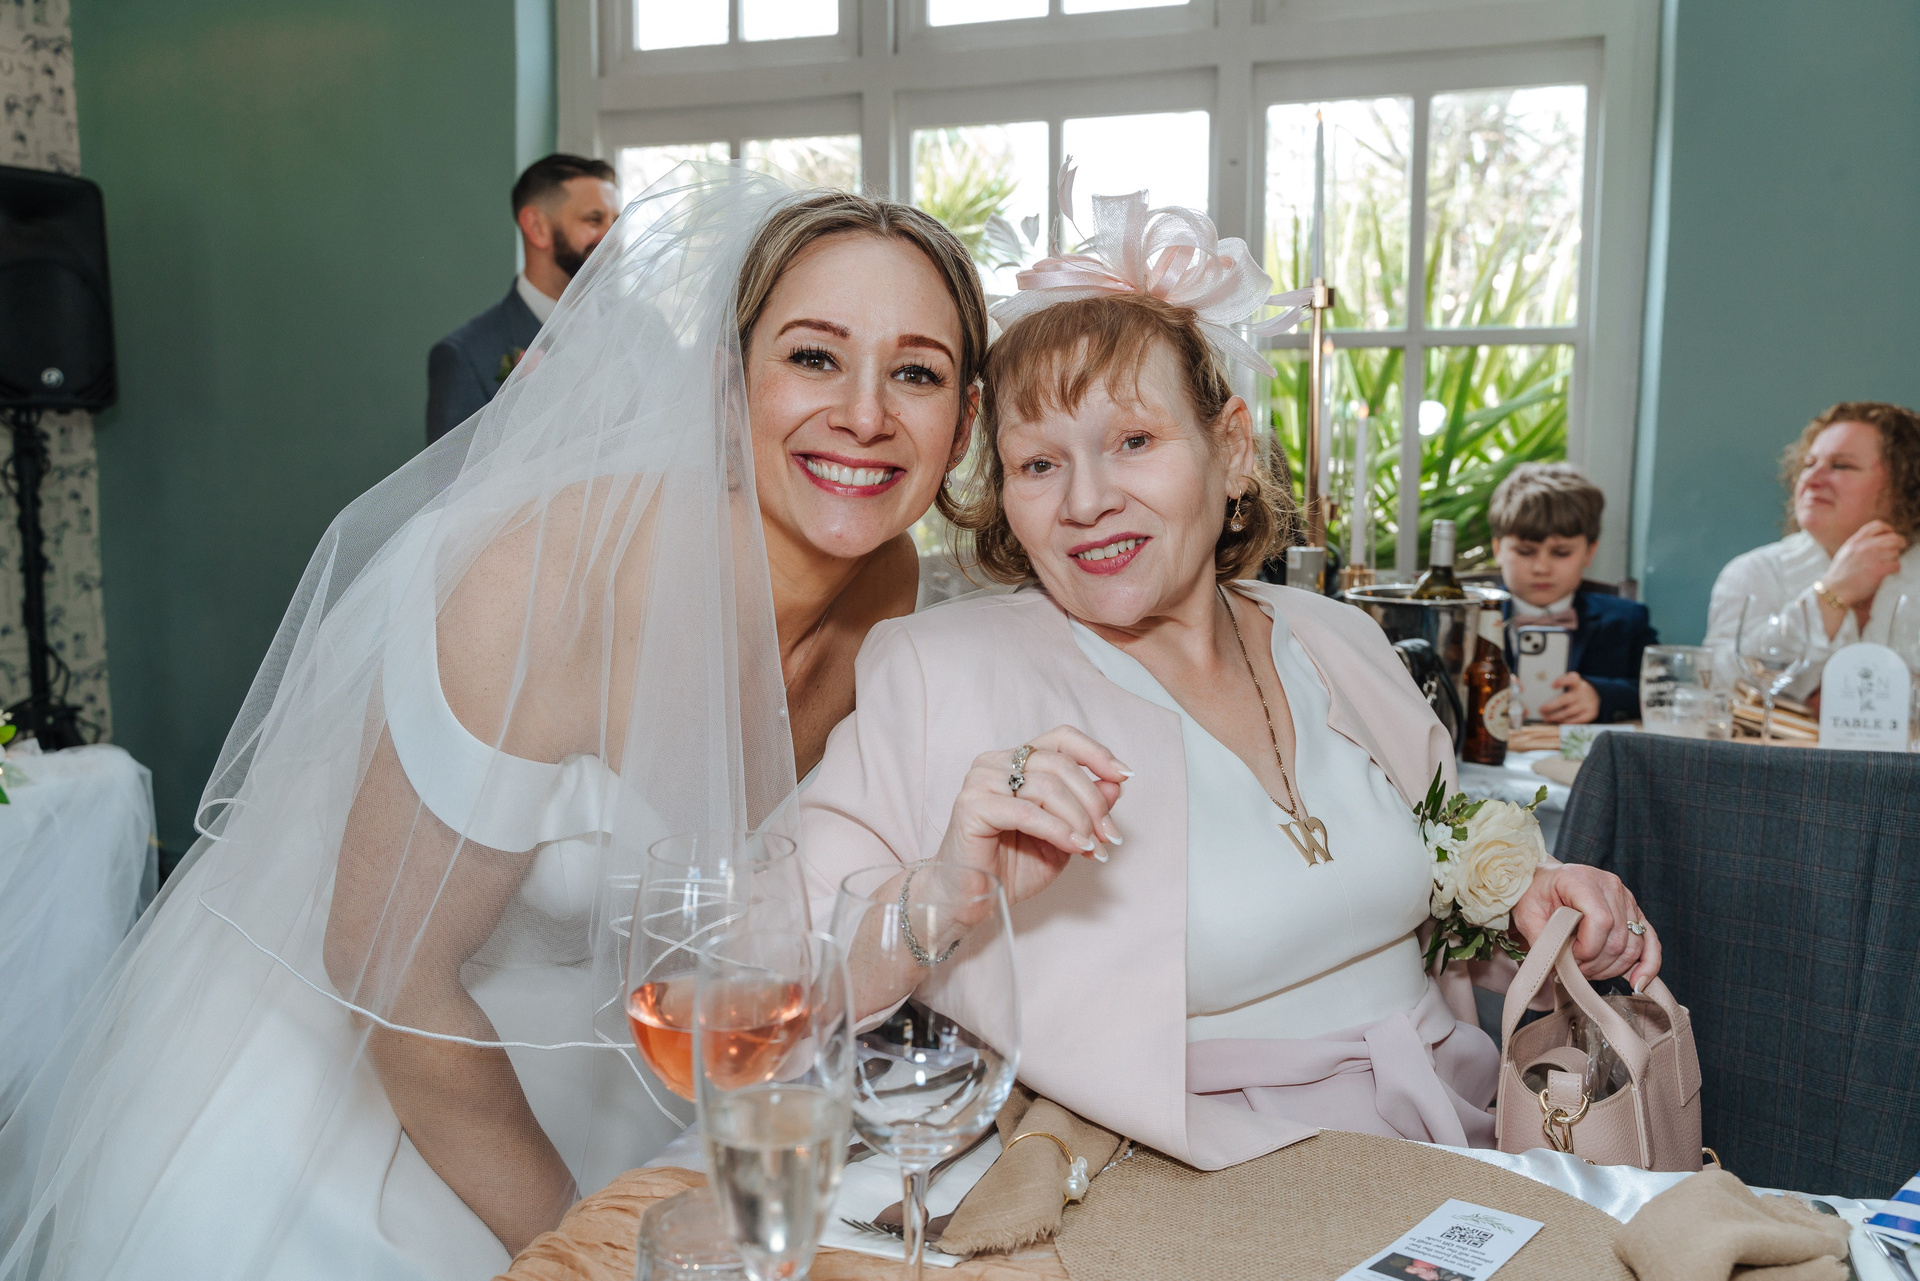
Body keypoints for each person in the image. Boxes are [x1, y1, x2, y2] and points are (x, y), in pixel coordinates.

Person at [0, 169, 985, 1279]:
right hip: (364, 1096)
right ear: (726, 385)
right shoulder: (542, 588)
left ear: (961, 426)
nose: (865, 414)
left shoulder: (894, 588)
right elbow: (386, 972)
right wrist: (582, 1245)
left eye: (916, 371)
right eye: (813, 356)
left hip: (635, 1084)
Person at [800, 189, 1661, 1171]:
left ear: (1232, 449)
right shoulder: (939, 670)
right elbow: (785, 978)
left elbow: (1433, 899)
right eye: (1037, 464)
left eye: (1134, 441)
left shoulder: (1337, 638)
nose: (1087, 501)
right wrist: (947, 889)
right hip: (1187, 1172)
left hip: (1455, 1126)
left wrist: (1534, 905)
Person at [1705, 401, 1920, 698]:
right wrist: (1831, 595)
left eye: (1841, 465)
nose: (1812, 479)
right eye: (1808, 464)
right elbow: (1717, 684)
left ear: (1904, 486)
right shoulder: (1754, 572)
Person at [425, 154, 620, 445]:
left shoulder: (645, 326)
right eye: (594, 220)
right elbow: (451, 474)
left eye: (615, 222)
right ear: (537, 227)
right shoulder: (465, 357)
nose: (613, 237)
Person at [1488, 463, 1657, 723]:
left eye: (1561, 553)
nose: (1541, 568)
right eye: (1525, 551)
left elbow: (1662, 691)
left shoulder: (1628, 621)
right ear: (1498, 550)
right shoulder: (1465, 621)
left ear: (1590, 552)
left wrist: (1602, 696)